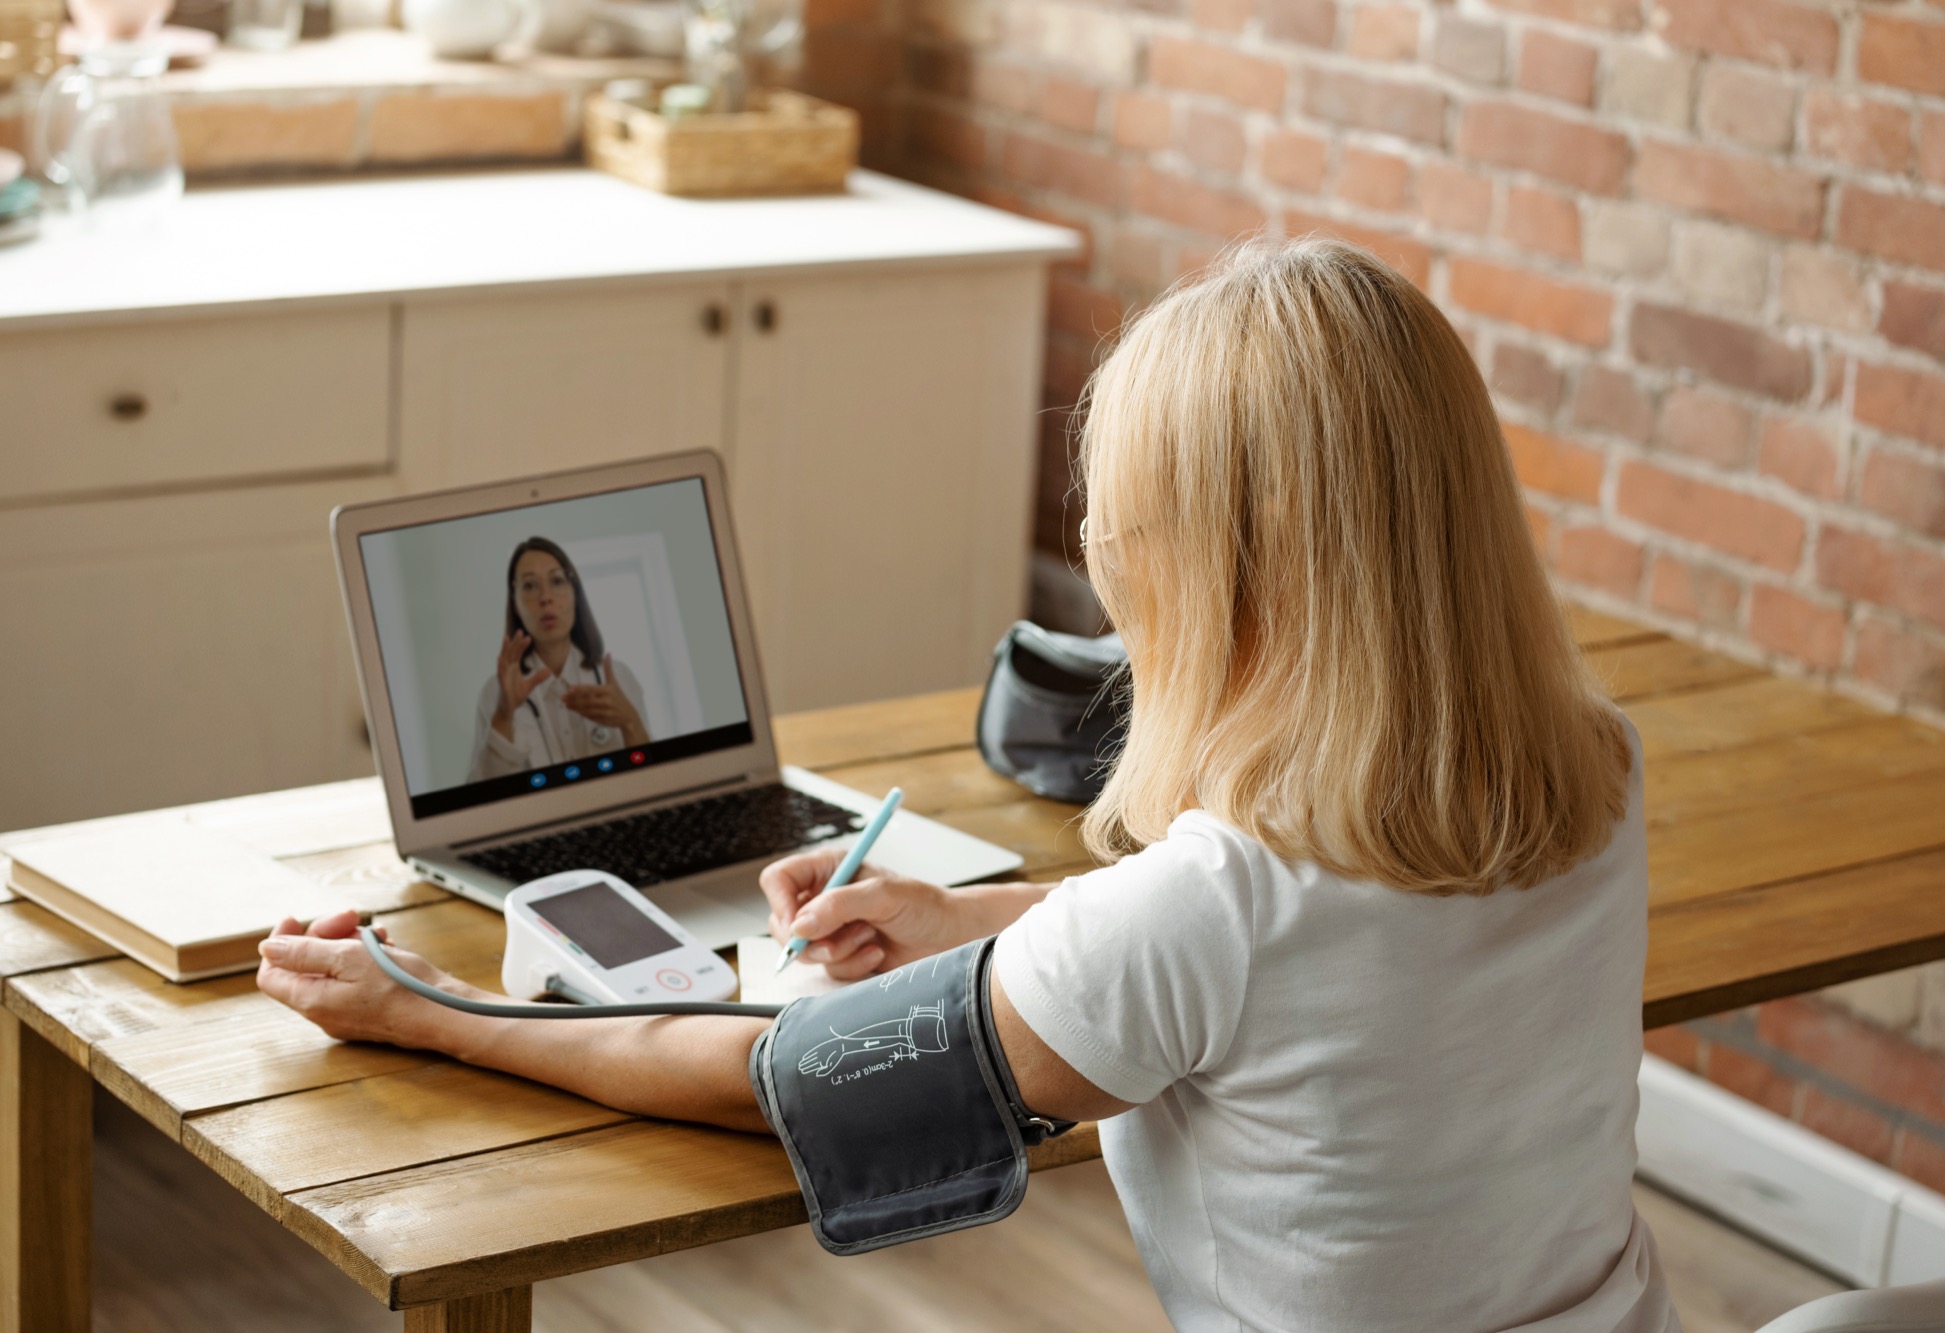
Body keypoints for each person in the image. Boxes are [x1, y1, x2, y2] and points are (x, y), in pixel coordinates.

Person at [259, 241, 1677, 1331]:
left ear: (1219, 579)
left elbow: (773, 1079)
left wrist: (435, 1011)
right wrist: (968, 921)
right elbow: (1301, 951)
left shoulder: (1208, 912)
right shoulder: (1587, 768)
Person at [466, 536, 650, 781]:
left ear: (575, 594)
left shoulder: (619, 679)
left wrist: (630, 723)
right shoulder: (495, 694)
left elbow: (654, 780)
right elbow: (485, 796)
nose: (545, 597)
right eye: (530, 585)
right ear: (516, 605)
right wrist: (504, 715)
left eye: (556, 581)